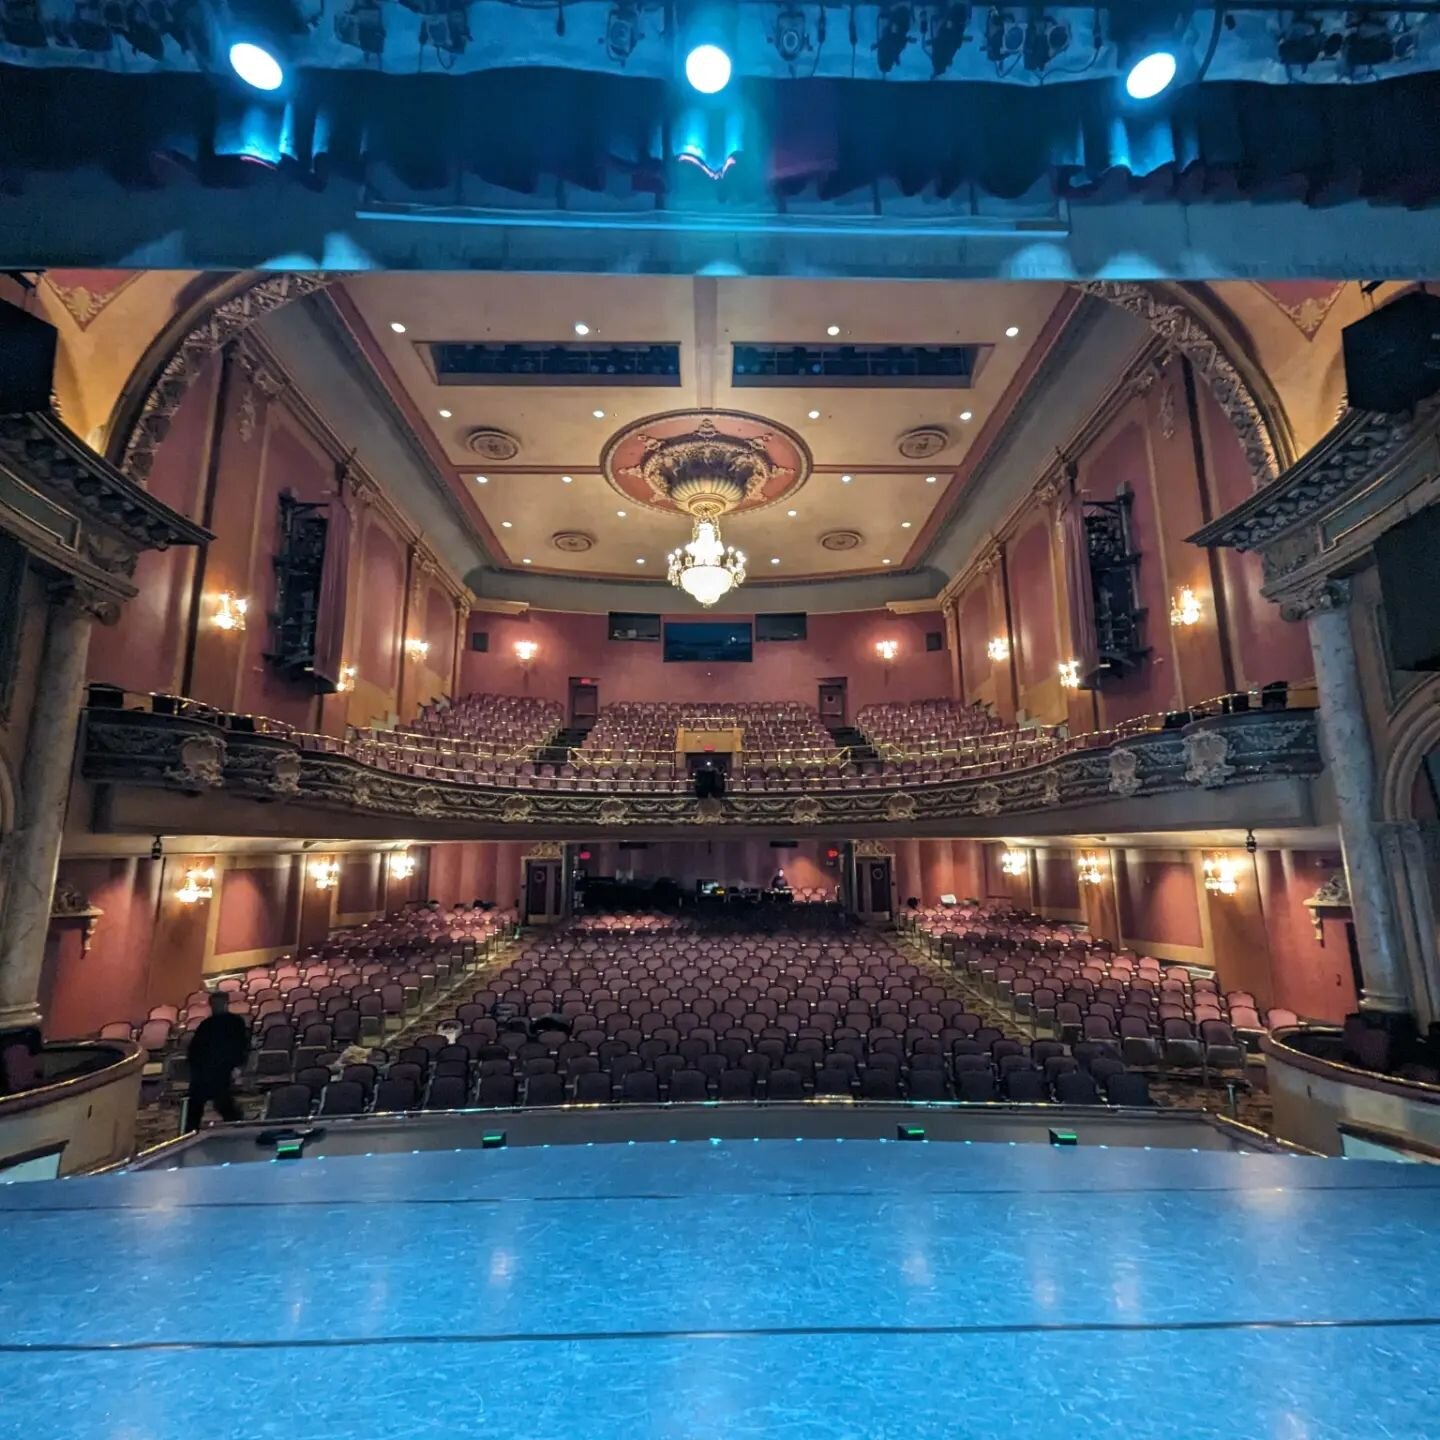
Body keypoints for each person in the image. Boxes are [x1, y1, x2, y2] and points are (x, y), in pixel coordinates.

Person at [183, 992, 249, 1132]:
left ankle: (238, 1125)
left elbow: (241, 1045)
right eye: (214, 1004)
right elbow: (196, 1048)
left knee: (222, 1102)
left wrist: (238, 1066)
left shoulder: (235, 1022)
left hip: (222, 1068)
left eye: (218, 1004)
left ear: (226, 1004)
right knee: (198, 1104)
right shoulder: (206, 1024)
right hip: (204, 1070)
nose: (216, 1007)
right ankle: (189, 1132)